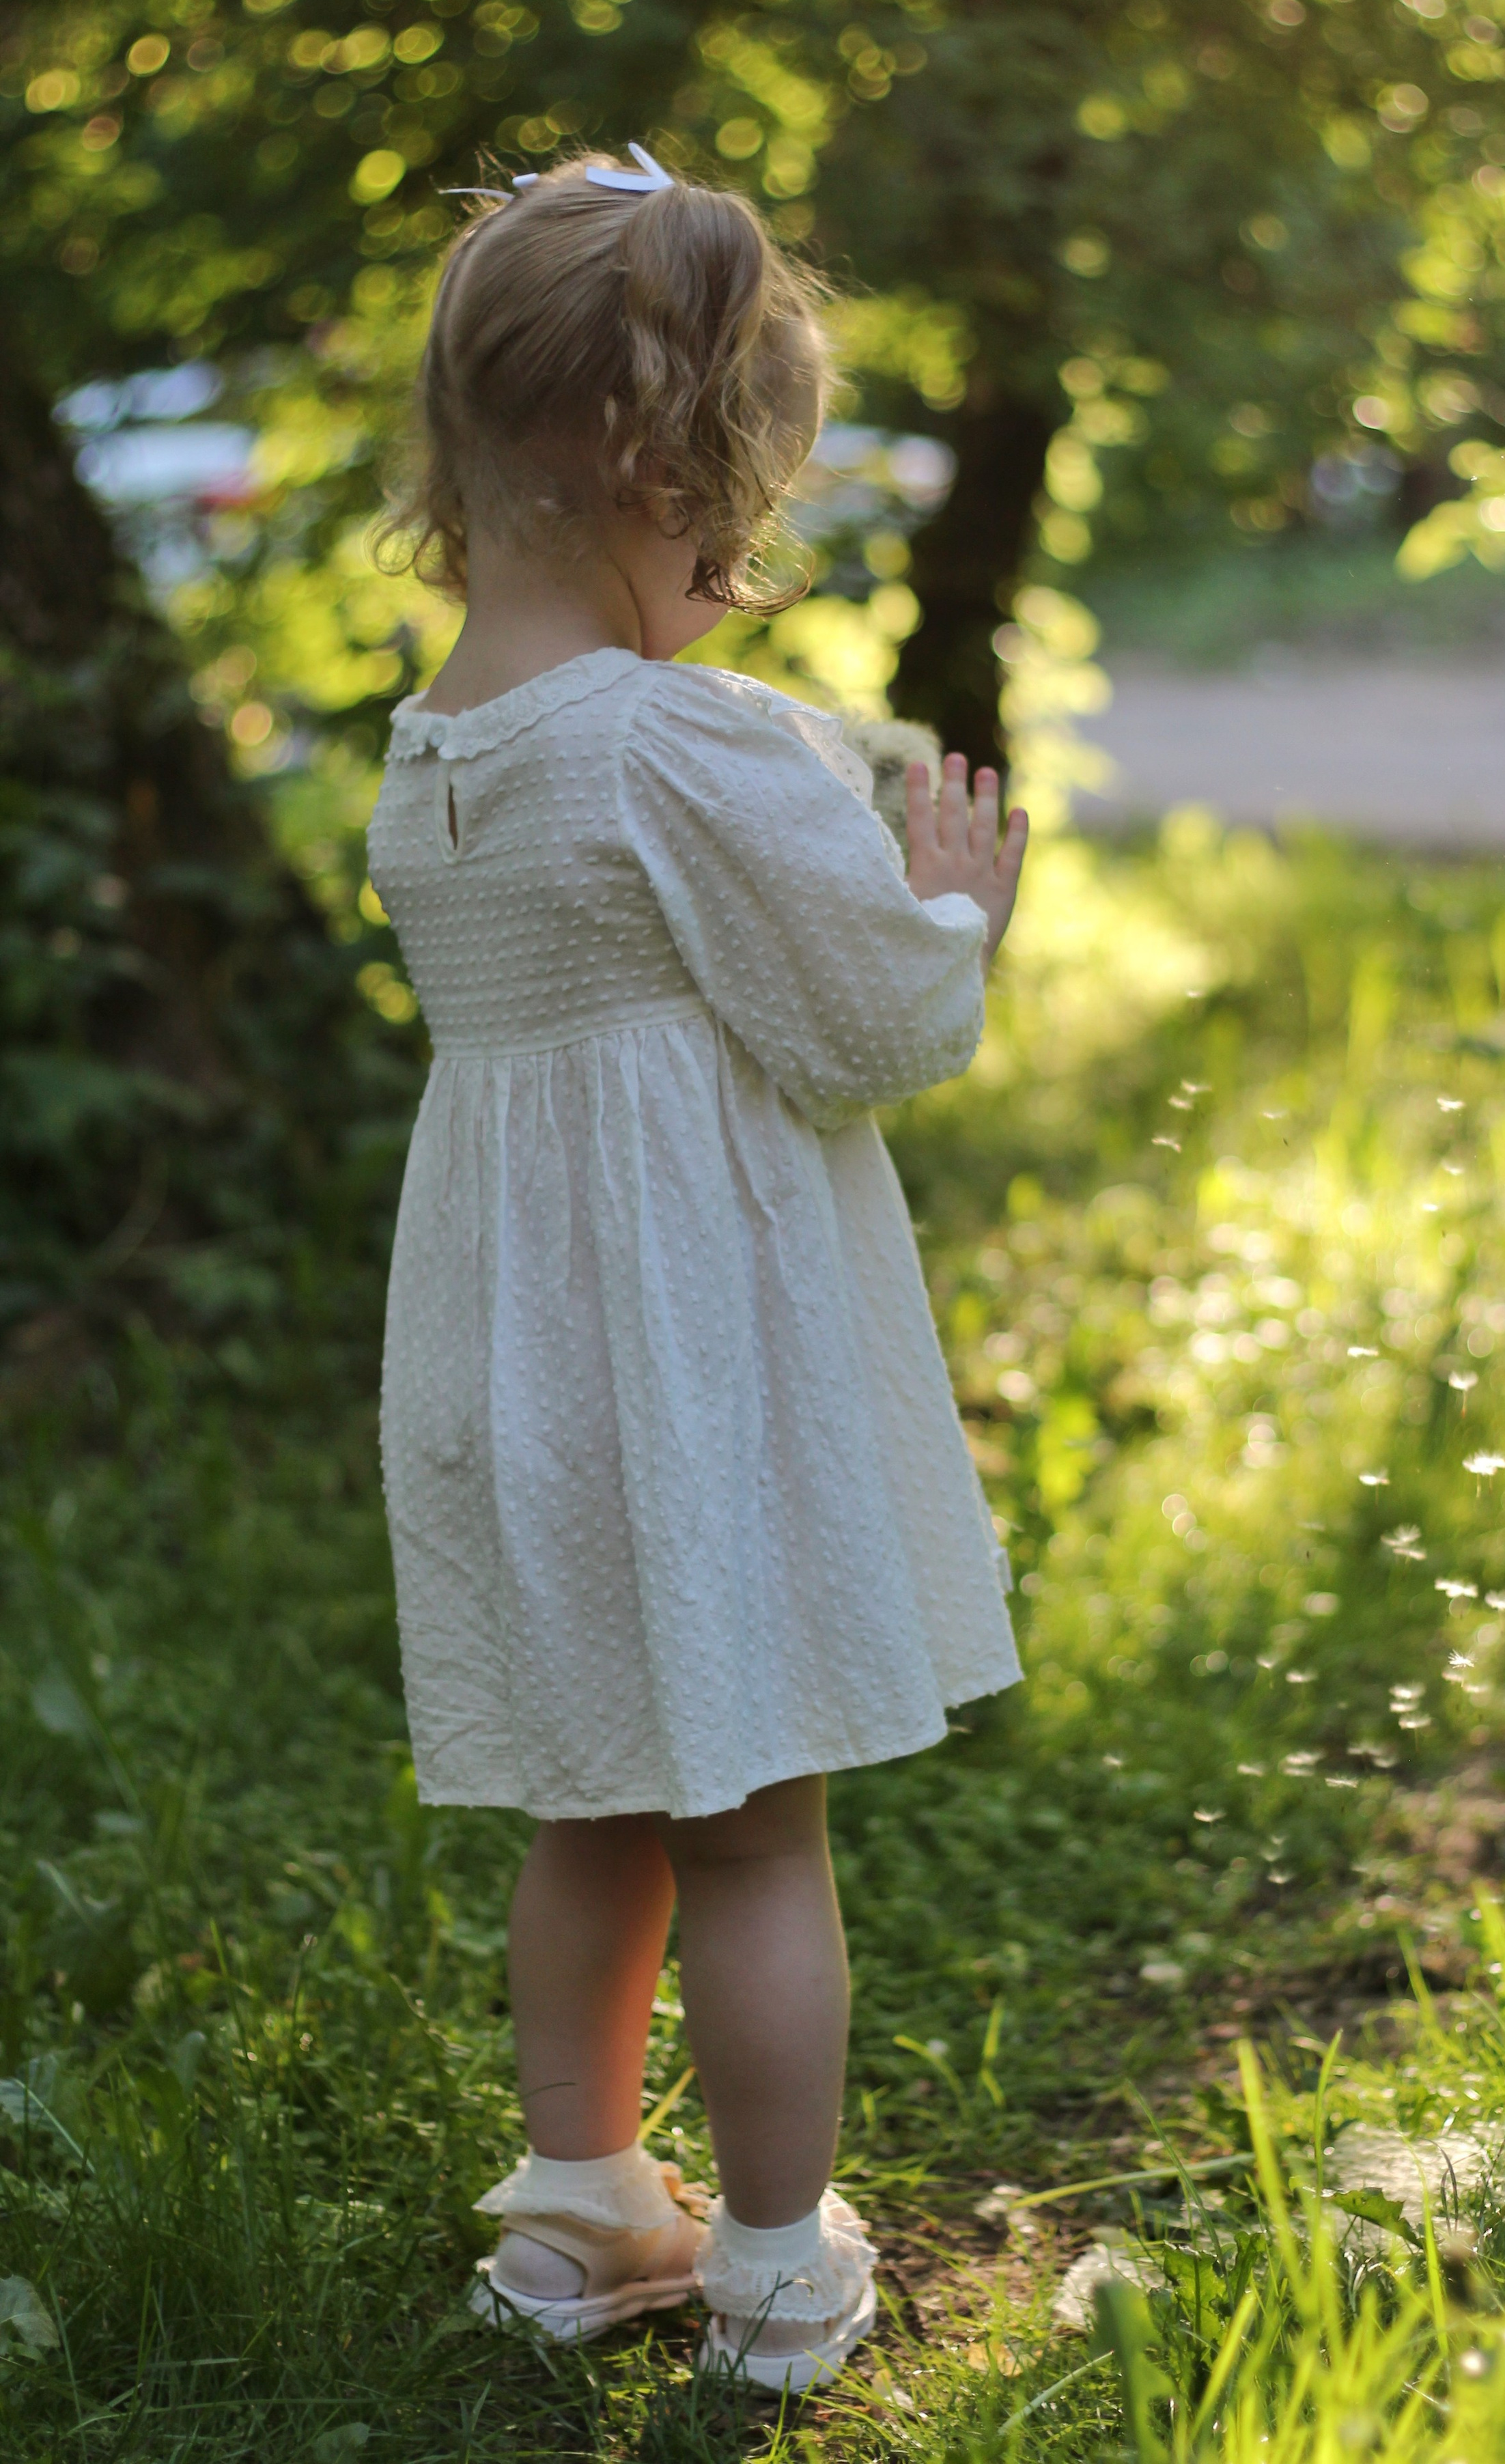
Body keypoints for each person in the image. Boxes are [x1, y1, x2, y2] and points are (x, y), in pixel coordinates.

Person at [365, 146, 1029, 2394]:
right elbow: (864, 1032)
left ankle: (572, 2219)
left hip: (518, 1362)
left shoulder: (431, 760)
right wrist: (950, 912)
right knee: (752, 1822)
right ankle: (768, 2264)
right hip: (698, 1362)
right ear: (690, 467)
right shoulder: (689, 741)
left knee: (595, 1795)